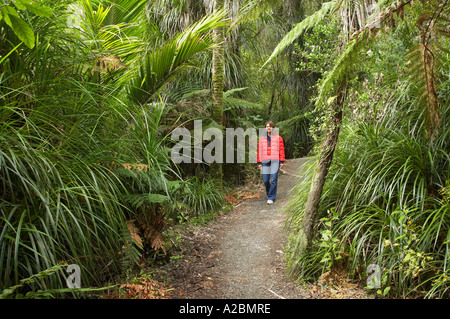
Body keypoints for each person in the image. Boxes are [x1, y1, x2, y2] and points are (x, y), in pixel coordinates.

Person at [257, 121, 285, 204]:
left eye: (270, 126)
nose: (268, 128)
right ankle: (270, 193)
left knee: (273, 179)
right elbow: (260, 151)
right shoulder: (262, 139)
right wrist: (259, 162)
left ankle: (271, 197)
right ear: (265, 128)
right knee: (265, 180)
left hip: (275, 161)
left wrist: (282, 161)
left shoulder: (278, 138)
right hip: (265, 161)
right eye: (267, 126)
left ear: (273, 128)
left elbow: (281, 150)